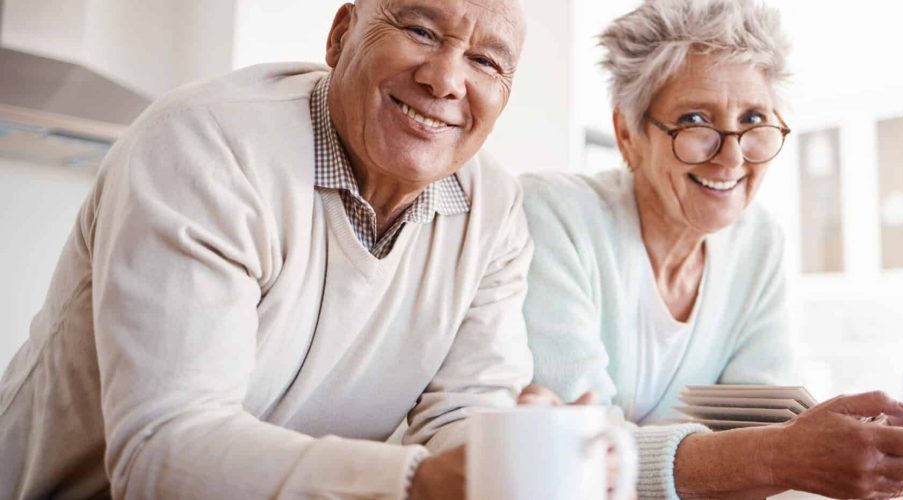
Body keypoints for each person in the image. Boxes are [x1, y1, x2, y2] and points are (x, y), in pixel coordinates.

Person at [0, 0, 532, 498]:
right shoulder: (207, 144)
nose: (444, 80)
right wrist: (414, 481)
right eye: (419, 31)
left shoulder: (495, 209)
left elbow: (461, 414)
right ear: (341, 35)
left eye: (485, 61)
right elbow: (160, 451)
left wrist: (522, 453)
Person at [519, 0, 903, 498]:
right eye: (696, 119)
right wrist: (777, 456)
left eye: (754, 118)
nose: (732, 156)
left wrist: (870, 434)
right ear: (628, 135)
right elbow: (579, 452)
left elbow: (760, 432)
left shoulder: (758, 240)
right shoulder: (554, 216)